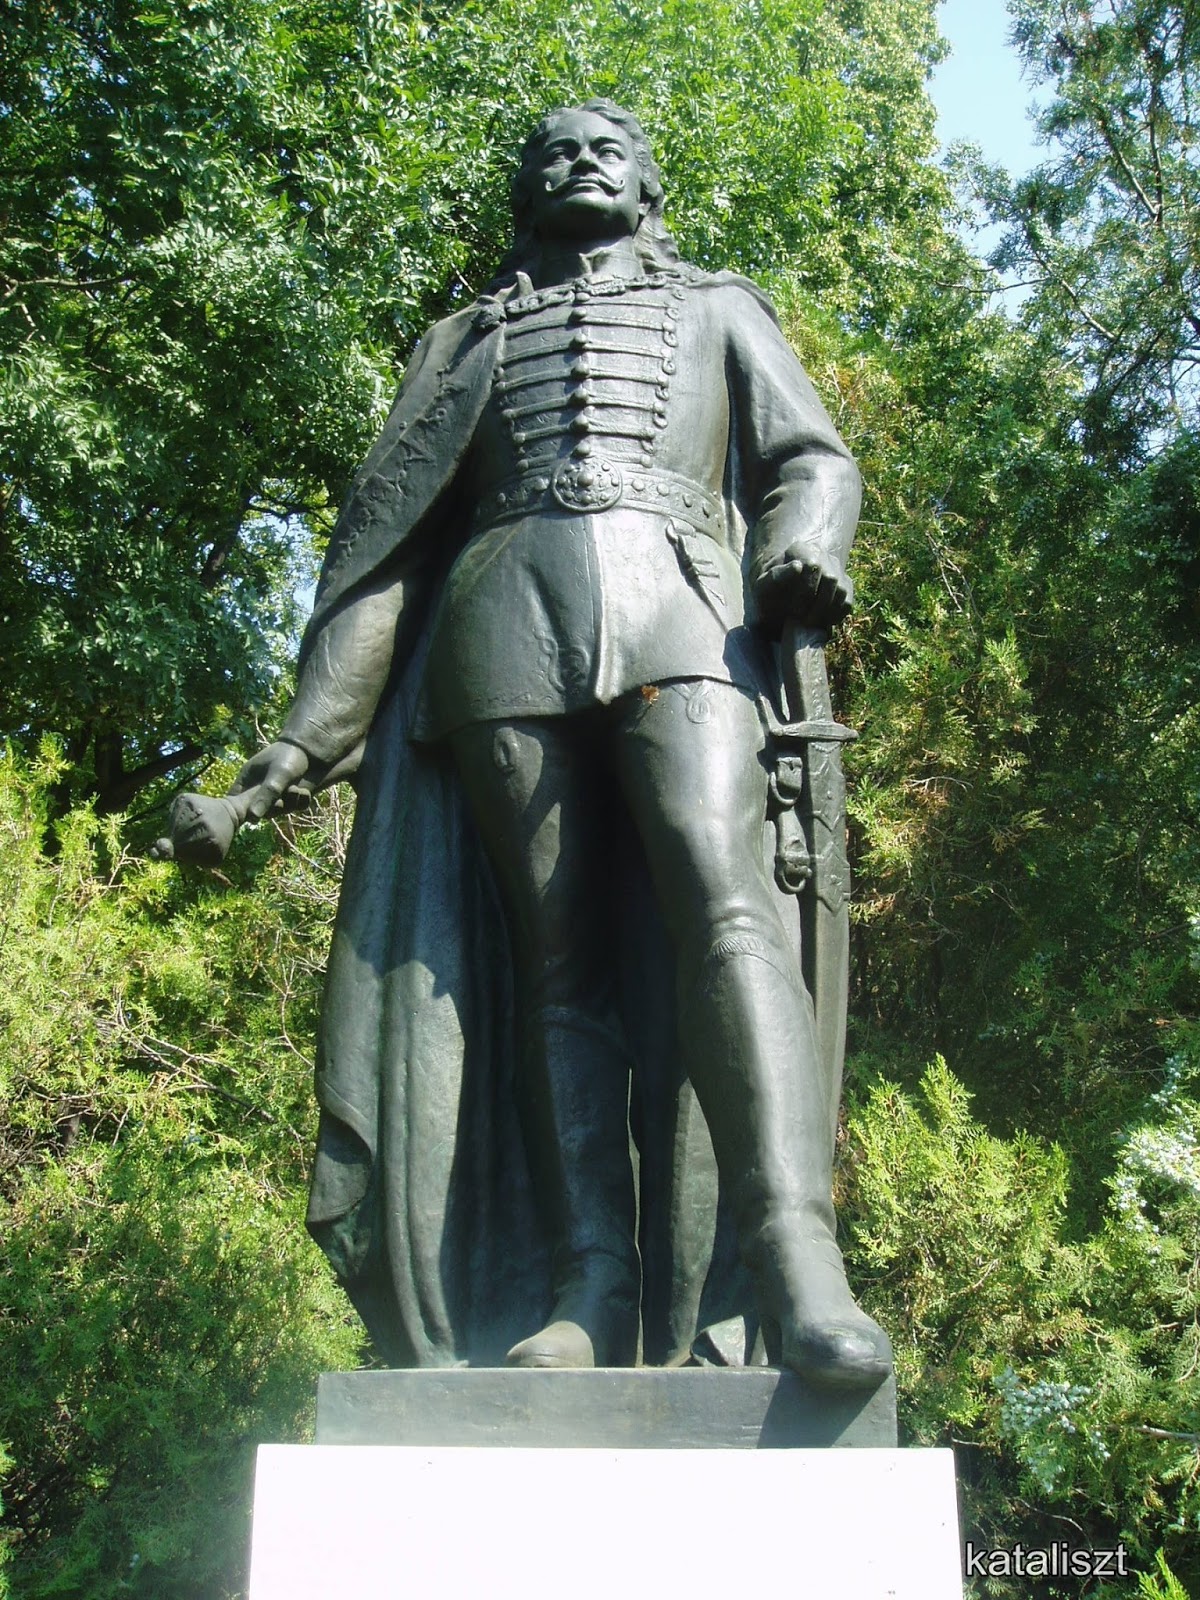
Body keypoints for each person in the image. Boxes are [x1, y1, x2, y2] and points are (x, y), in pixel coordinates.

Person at [181, 100, 891, 1386]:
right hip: (500, 629)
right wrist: (294, 750)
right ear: (525, 192)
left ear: (648, 187)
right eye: (556, 148)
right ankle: (588, 1286)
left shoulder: (720, 307)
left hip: (688, 614)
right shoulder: (461, 344)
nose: (581, 158)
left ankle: (795, 1257)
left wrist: (804, 544)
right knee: (554, 967)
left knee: (725, 897)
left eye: (609, 146)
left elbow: (813, 458)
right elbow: (388, 559)